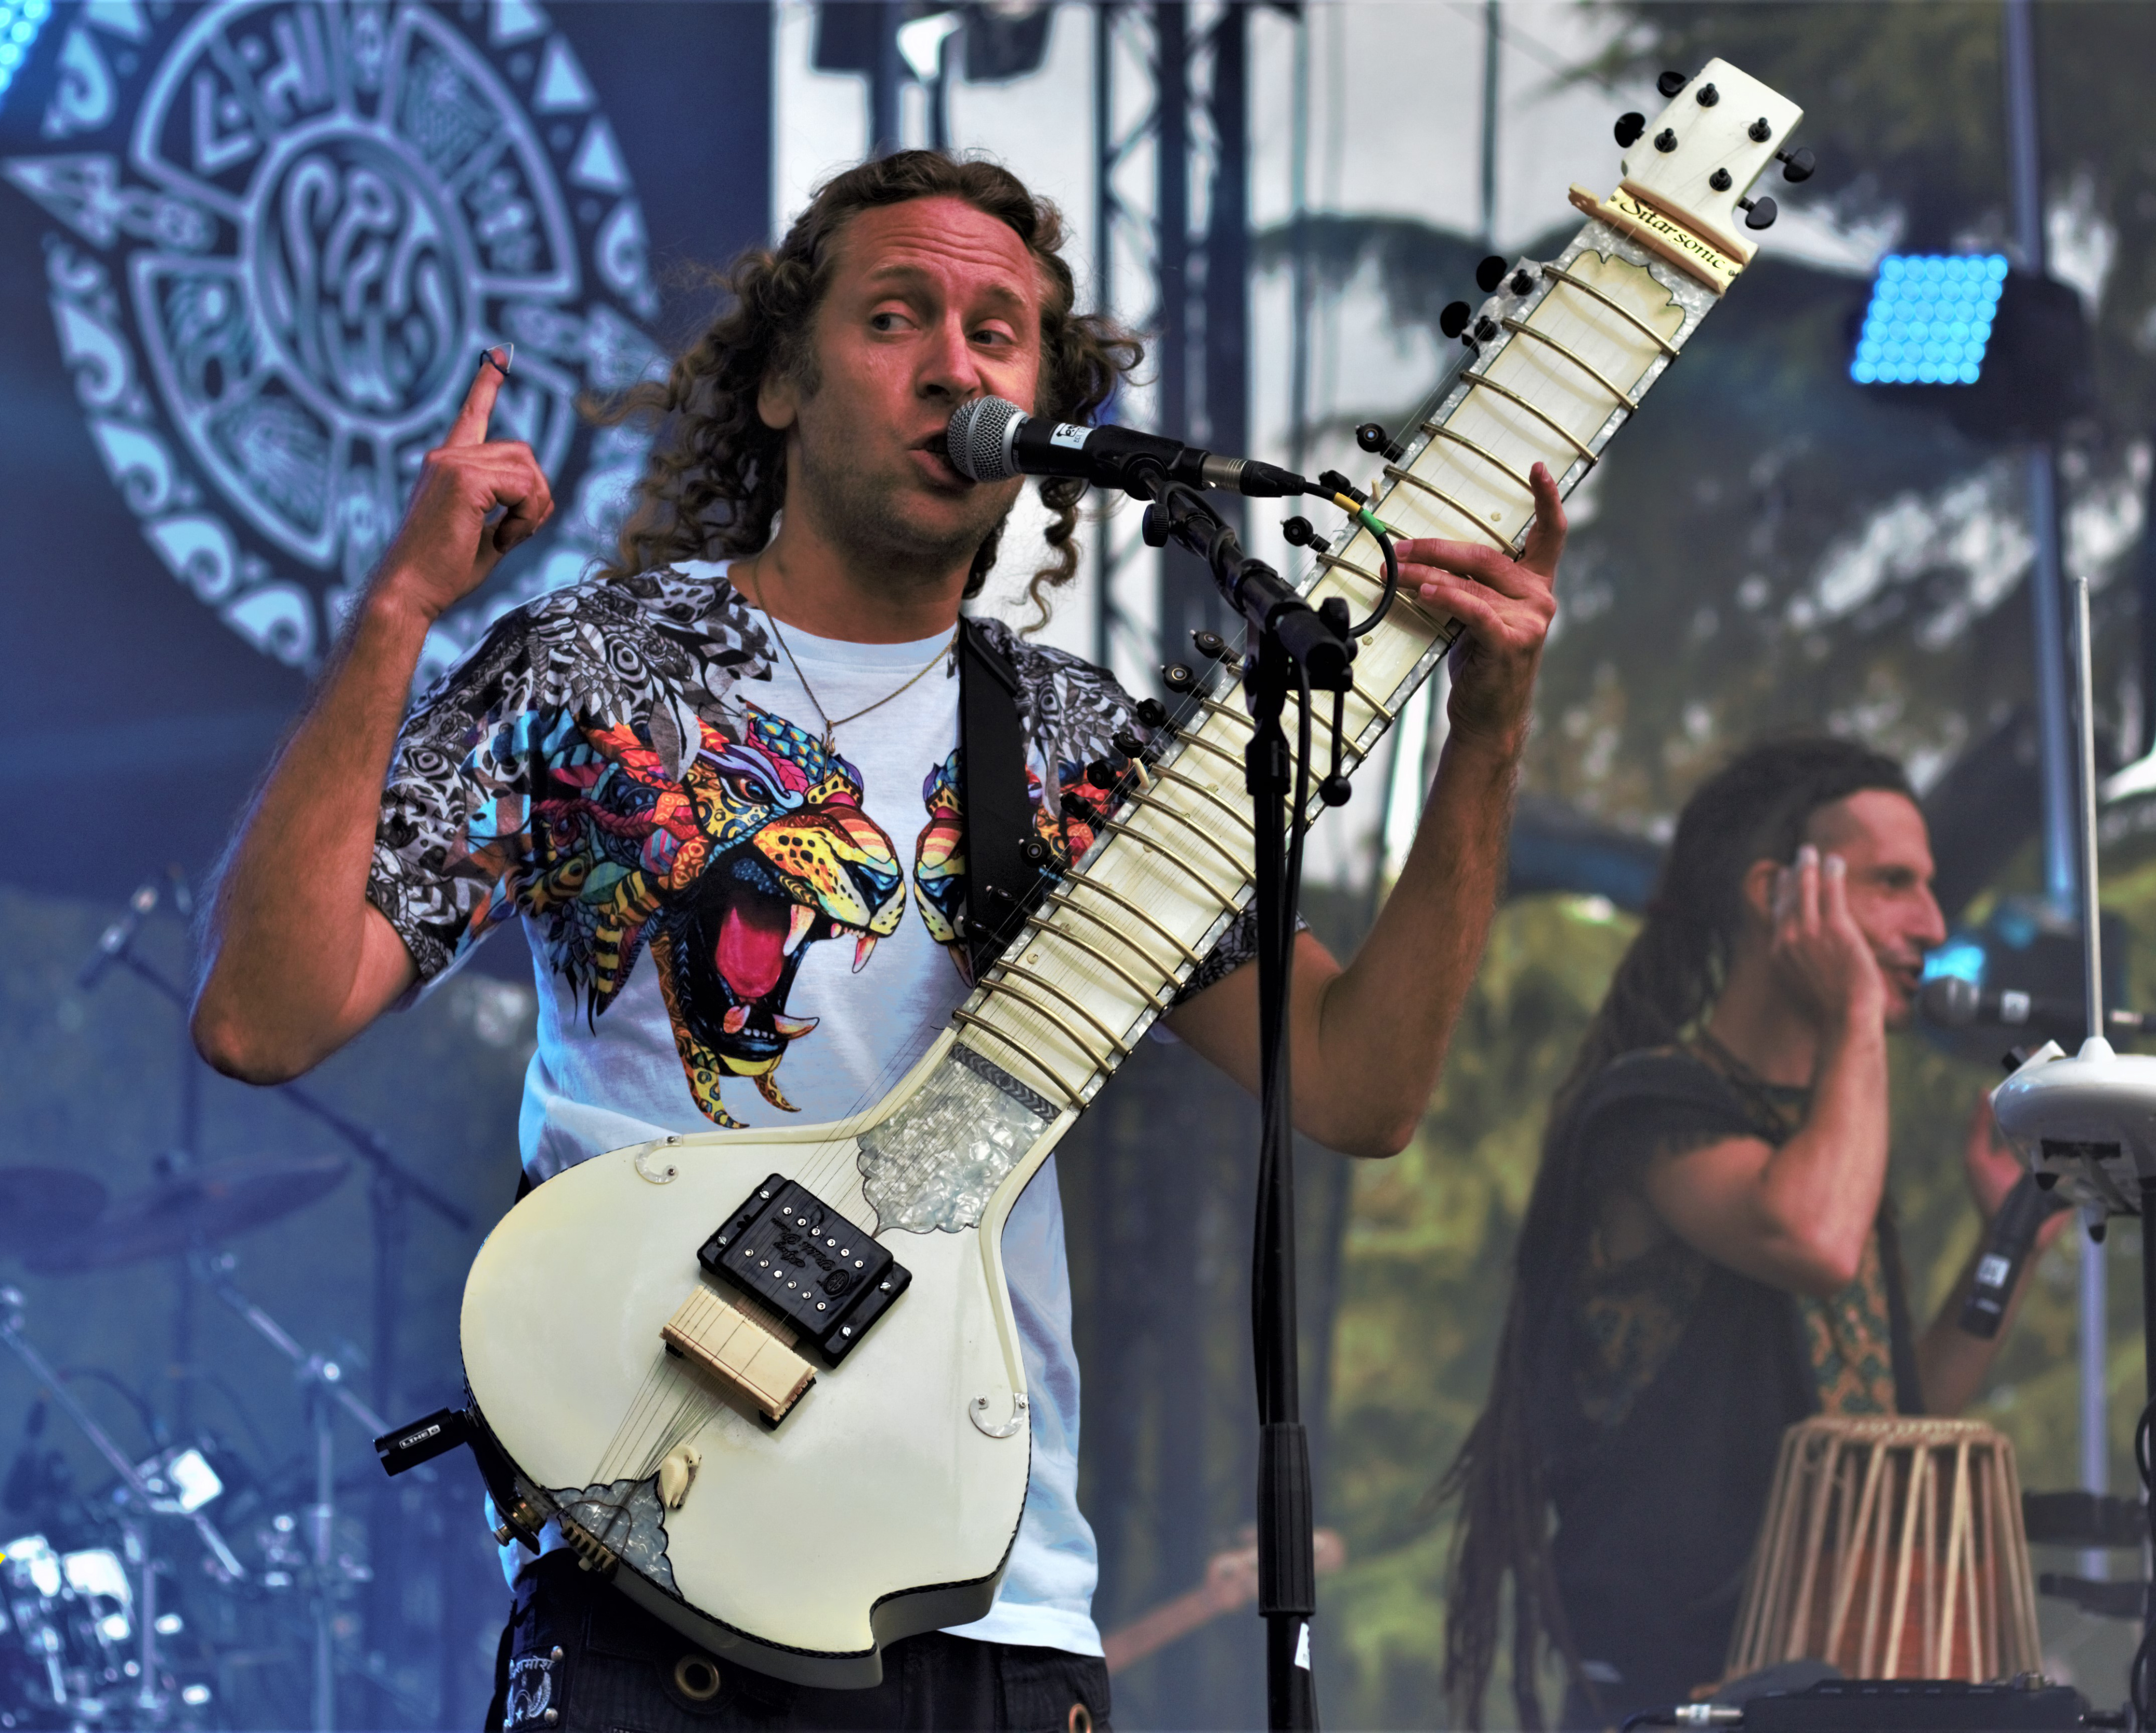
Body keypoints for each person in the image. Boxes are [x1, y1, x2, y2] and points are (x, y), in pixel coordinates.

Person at [191, 151, 1560, 1731]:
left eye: (998, 333)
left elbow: (1357, 1084)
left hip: (991, 1598)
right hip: (656, 1565)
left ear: (1044, 408)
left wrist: (1488, 735)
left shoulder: (1079, 747)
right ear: (782, 381)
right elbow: (264, 1017)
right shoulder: (593, 669)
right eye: (896, 316)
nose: (953, 365)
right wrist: (397, 611)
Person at [1440, 738, 2066, 1730]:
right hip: (1671, 1704)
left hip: (1828, 1686)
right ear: (1779, 894)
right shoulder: (1651, 1104)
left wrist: (2010, 1237)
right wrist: (1855, 1007)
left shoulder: (1824, 1140)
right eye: (1892, 883)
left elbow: (1889, 1422)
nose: (1933, 924)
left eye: (1929, 886)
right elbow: (1815, 1241)